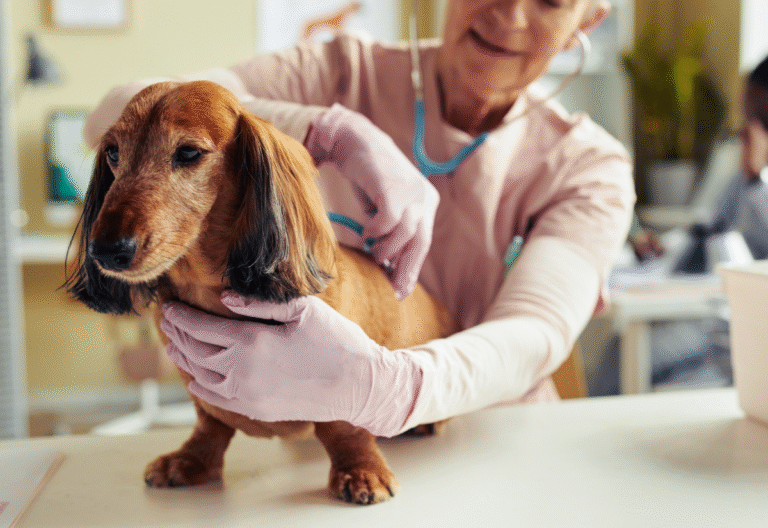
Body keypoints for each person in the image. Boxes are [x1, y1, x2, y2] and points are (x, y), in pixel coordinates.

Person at [84, 0, 634, 437]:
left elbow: (535, 332)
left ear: (587, 20)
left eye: (549, 1)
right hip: (325, 443)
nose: (509, 15)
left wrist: (379, 387)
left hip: (488, 435)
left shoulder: (589, 168)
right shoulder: (341, 69)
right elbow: (114, 110)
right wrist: (328, 131)